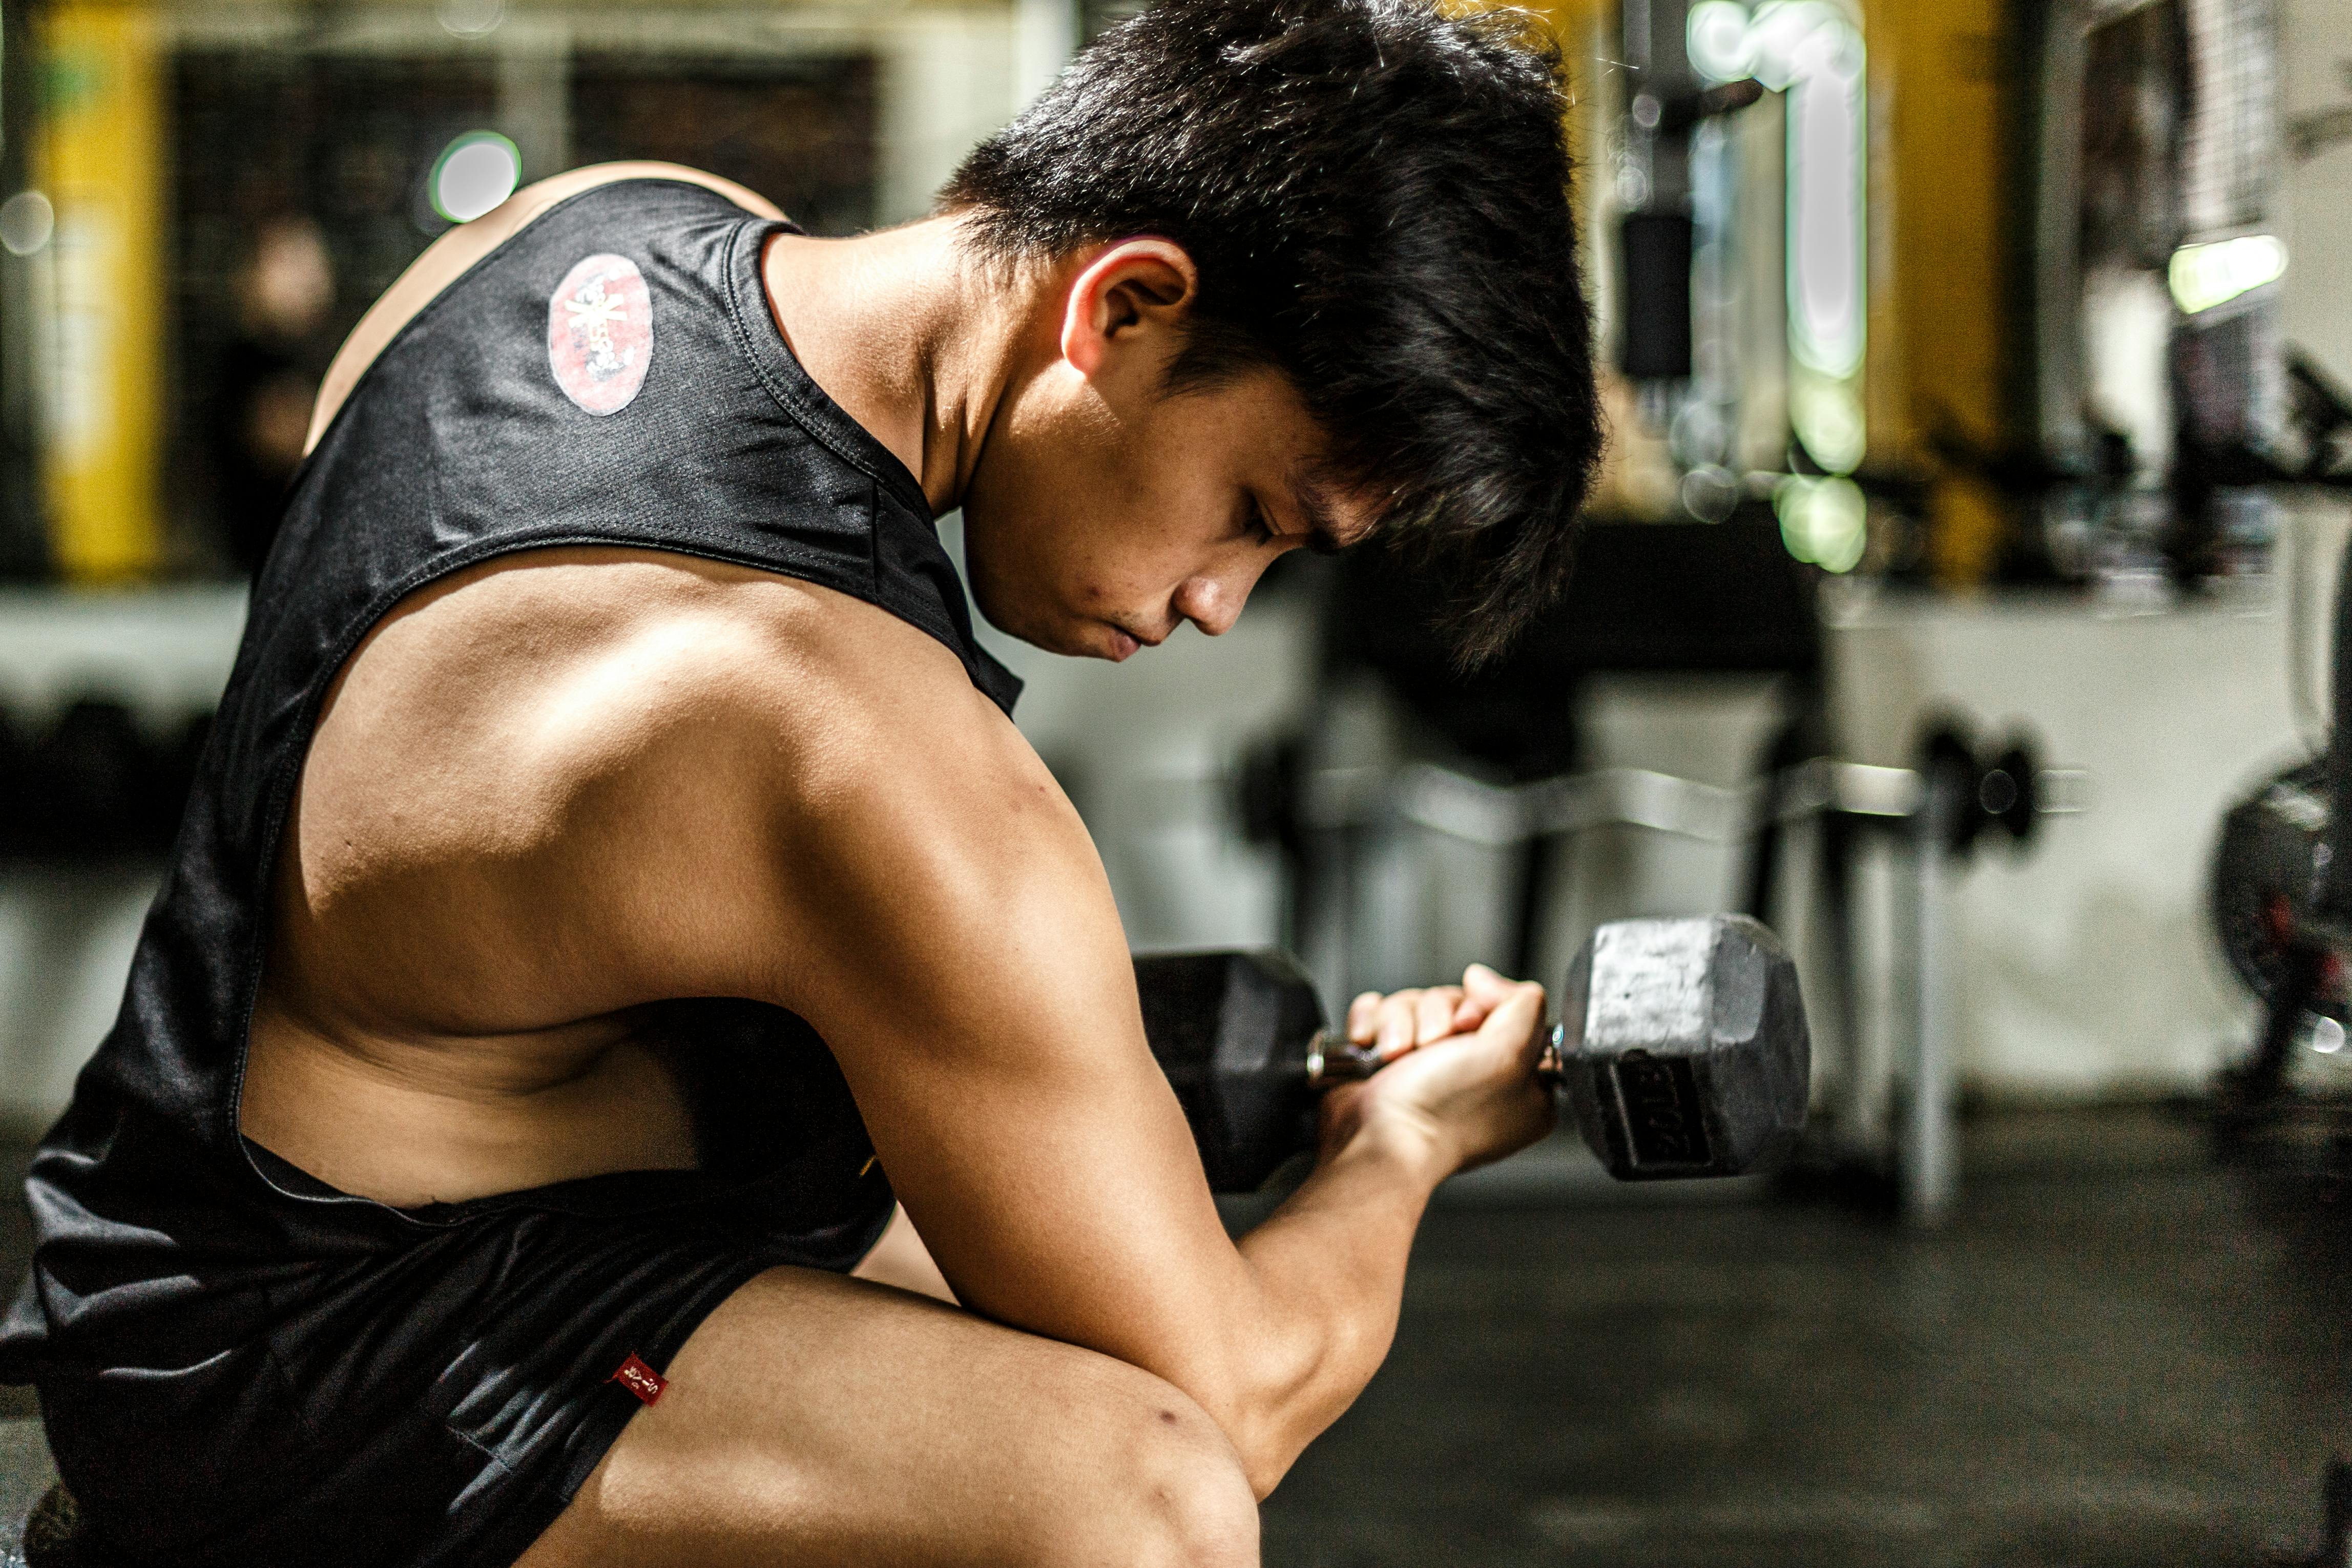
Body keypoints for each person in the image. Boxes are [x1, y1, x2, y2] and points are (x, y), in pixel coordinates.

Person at [0, 1, 1602, 1562]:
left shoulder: (588, 232)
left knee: (1025, 1289)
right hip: (296, 1367)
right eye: (1257, 512)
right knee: (1144, 1495)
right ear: (1123, 305)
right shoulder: (849, 742)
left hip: (160, 1218)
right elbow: (1238, 1393)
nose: (1216, 600)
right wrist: (1400, 1145)